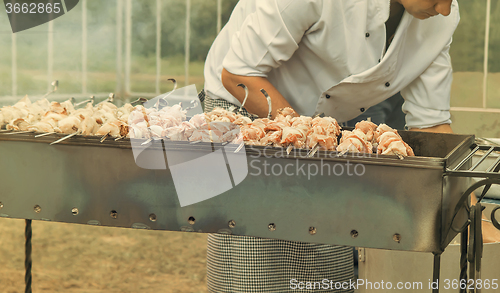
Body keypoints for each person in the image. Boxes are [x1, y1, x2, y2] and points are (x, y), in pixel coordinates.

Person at [202, 0, 463, 292]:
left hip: (322, 123)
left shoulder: (441, 19)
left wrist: (466, 209)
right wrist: (302, 134)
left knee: (328, 234)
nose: (444, 9)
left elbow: (431, 124)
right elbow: (238, 74)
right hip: (245, 102)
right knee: (259, 249)